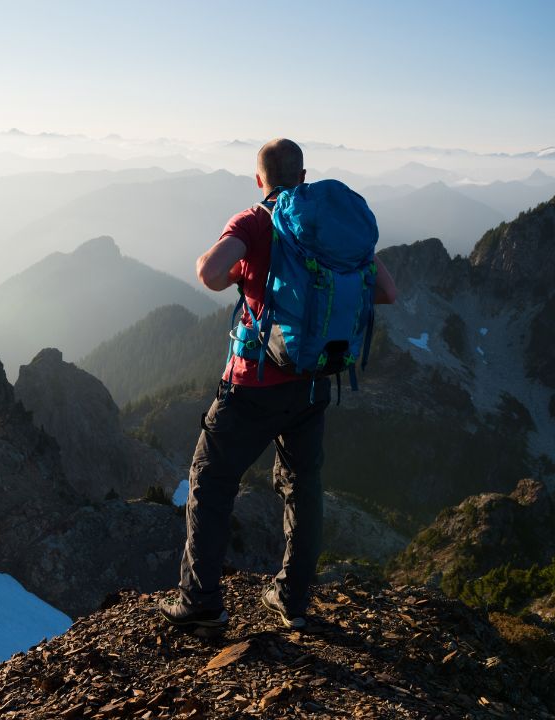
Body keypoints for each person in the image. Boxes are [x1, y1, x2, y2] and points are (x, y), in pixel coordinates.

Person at [158, 138, 398, 630]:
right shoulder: (329, 228)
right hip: (312, 383)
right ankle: (292, 597)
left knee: (211, 477)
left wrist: (242, 269)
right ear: (304, 177)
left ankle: (201, 601)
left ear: (258, 179)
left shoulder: (255, 221)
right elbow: (388, 291)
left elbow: (209, 272)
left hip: (254, 383)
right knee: (303, 486)